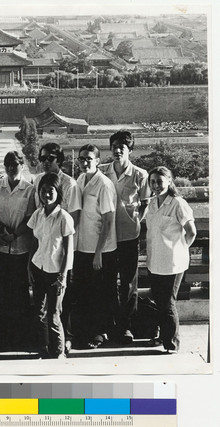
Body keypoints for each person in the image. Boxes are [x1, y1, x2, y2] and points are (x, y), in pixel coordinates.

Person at [99, 131, 151, 344]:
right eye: (114, 146)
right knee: (107, 283)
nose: (118, 150)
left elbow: (146, 202)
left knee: (129, 284)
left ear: (130, 150)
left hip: (129, 237)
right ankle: (109, 327)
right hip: (106, 238)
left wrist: (135, 222)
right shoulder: (102, 172)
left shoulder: (140, 175)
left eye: (123, 147)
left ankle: (126, 327)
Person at [33, 142, 81, 353]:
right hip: (43, 256)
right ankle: (46, 345)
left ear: (59, 160)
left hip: (61, 255)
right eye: (42, 158)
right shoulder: (38, 181)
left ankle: (62, 343)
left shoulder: (69, 184)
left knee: (59, 307)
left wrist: (63, 268)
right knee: (45, 309)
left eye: (50, 158)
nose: (45, 162)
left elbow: (74, 219)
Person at [145, 166, 196, 353]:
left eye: (160, 181)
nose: (156, 185)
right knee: (159, 302)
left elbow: (191, 232)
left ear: (169, 181)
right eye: (152, 182)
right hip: (154, 262)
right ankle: (162, 337)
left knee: (167, 303)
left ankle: (172, 344)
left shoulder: (178, 203)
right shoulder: (151, 204)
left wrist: (180, 250)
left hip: (173, 263)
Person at [73, 144, 118, 349]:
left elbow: (108, 221)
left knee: (99, 294)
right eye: (81, 159)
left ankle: (100, 334)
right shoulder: (81, 180)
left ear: (98, 161)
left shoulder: (104, 184)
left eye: (89, 159)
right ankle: (83, 333)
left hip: (101, 251)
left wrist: (98, 253)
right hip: (82, 248)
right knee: (83, 293)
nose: (84, 162)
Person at [27, 173, 75, 359]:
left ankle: (58, 352)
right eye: (43, 191)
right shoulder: (38, 215)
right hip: (38, 268)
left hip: (56, 273)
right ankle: (43, 348)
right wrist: (29, 267)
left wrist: (62, 277)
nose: (46, 195)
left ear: (58, 193)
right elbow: (34, 243)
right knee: (39, 311)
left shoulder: (64, 217)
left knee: (54, 314)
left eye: (51, 191)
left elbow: (68, 251)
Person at [0, 151, 35, 348]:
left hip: (21, 248)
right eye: (8, 164)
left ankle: (21, 336)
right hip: (0, 248)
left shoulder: (30, 190)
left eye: (15, 164)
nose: (11, 167)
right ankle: (3, 337)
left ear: (22, 165)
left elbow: (29, 218)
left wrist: (15, 235)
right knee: (2, 292)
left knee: (20, 293)